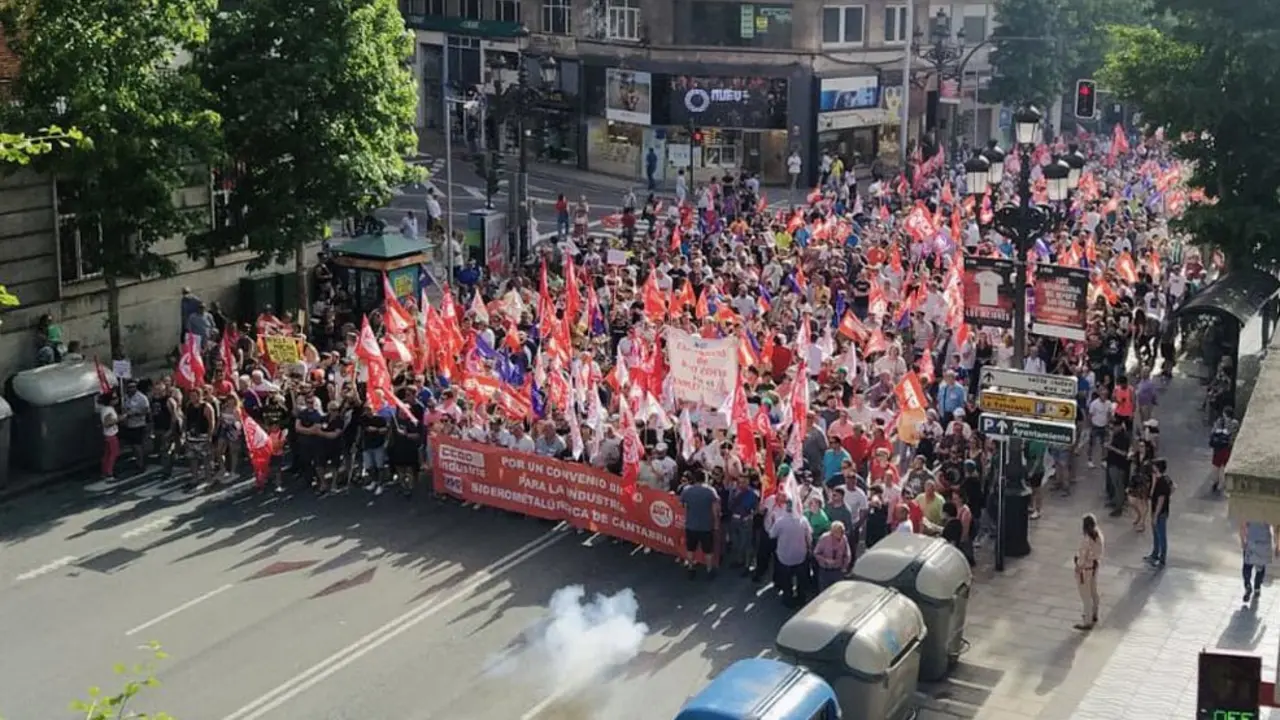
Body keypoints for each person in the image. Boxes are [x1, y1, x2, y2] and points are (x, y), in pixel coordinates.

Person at [767, 499, 812, 606]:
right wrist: (809, 548)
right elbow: (809, 536)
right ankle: (801, 599)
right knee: (801, 580)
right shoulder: (803, 520)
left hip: (784, 557)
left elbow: (772, 535)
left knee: (786, 581)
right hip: (800, 556)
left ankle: (788, 599)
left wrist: (772, 523)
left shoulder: (780, 521)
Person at [680, 470, 719, 579]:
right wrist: (716, 523)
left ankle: (691, 568)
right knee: (708, 550)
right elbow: (715, 509)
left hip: (691, 525)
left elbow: (683, 504)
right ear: (705, 478)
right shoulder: (710, 491)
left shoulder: (686, 490)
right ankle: (709, 570)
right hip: (706, 526)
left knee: (690, 549)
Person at [1074, 513, 1105, 631]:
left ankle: (1087, 620)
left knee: (1085, 595)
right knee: (1093, 591)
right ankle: (1094, 613)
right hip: (1095, 566)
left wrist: (1078, 566)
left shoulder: (1087, 540)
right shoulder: (1099, 535)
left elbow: (1082, 556)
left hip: (1085, 569)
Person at [1240, 520, 1275, 604]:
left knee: (1247, 566)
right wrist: (1277, 545)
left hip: (1251, 541)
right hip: (1264, 543)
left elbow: (1242, 526)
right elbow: (1276, 529)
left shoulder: (1250, 509)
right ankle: (1257, 587)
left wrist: (1242, 540)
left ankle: (1248, 585)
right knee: (1261, 567)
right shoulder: (1270, 510)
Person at [812, 520, 852, 592]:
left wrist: (844, 567)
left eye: (842, 532)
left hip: (838, 571)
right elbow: (816, 553)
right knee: (824, 592)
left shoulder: (844, 538)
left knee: (838, 592)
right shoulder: (824, 538)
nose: (840, 535)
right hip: (825, 571)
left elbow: (847, 554)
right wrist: (825, 560)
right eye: (838, 533)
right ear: (832, 532)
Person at [1147, 458, 1172, 568]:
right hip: (1156, 510)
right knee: (1156, 534)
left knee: (1161, 535)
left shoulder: (1162, 482)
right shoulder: (1161, 480)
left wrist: (1155, 515)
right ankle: (1155, 554)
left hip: (1160, 512)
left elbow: (1161, 500)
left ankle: (1162, 558)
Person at [1209, 405, 1240, 493]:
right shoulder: (1235, 423)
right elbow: (1235, 435)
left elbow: (1213, 432)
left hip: (1218, 448)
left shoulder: (1219, 421)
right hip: (1228, 448)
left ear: (1224, 414)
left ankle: (1215, 482)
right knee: (1225, 467)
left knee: (1216, 466)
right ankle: (1223, 484)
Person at [97, 392, 120, 483]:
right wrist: (118, 419)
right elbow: (107, 423)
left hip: (107, 434)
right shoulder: (108, 410)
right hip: (111, 435)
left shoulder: (105, 409)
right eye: (114, 398)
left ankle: (105, 471)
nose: (116, 399)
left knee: (107, 454)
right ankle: (109, 472)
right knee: (113, 454)